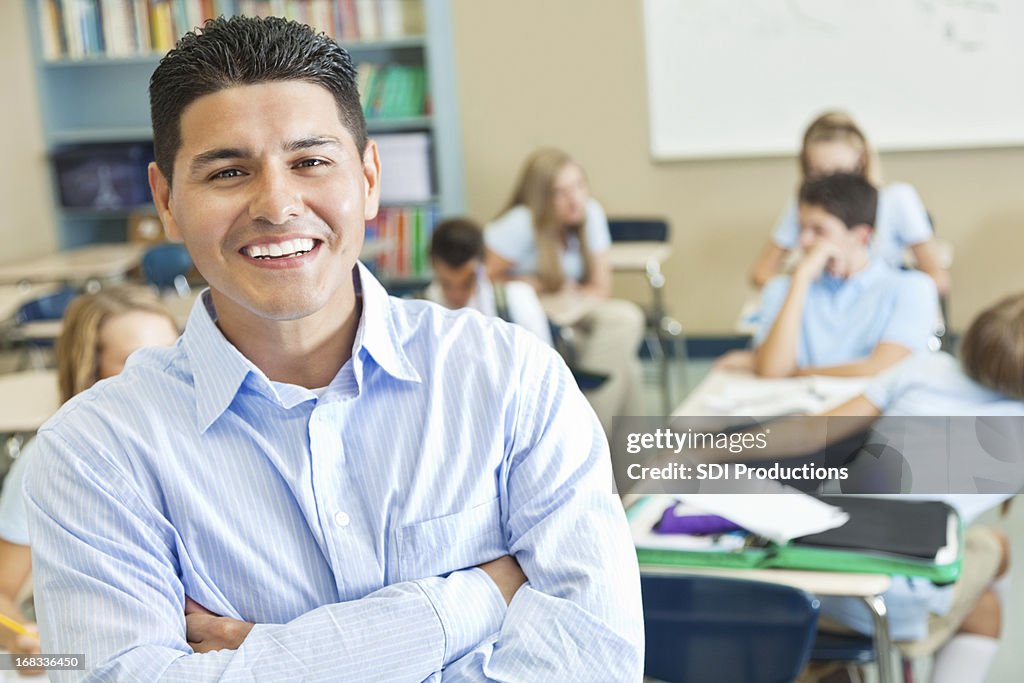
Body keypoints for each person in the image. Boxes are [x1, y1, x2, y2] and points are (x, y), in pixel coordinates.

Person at [24, 16, 643, 682]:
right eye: (228, 171)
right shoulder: (90, 455)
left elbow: (595, 660)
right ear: (166, 201)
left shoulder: (510, 378)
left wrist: (272, 655)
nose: (278, 204)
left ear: (370, 177)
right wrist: (473, 599)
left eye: (310, 161)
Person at [814, 292, 1024, 683]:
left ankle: (831, 666)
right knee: (993, 575)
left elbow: (813, 431)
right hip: (887, 602)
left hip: (812, 577)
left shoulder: (921, 369)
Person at [0, 286, 179, 674]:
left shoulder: (207, 441)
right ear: (90, 374)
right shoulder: (52, 462)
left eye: (174, 352)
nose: (167, 373)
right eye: (137, 362)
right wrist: (19, 641)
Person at [484, 148, 645, 434]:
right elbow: (480, 277)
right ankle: (585, 436)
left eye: (579, 186)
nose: (575, 199)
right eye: (561, 192)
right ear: (542, 198)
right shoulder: (523, 221)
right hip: (534, 321)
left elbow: (600, 288)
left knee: (625, 346)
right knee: (627, 358)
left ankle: (625, 472)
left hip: (572, 314)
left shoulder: (590, 213)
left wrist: (569, 294)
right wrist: (534, 283)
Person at [725, 173, 939, 378]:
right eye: (802, 228)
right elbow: (772, 371)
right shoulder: (782, 288)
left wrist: (795, 373)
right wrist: (801, 279)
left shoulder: (912, 288)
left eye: (819, 230)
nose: (804, 241)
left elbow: (879, 369)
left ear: (861, 236)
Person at [749, 111, 950, 295]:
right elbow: (761, 273)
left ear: (862, 162)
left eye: (840, 173)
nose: (831, 187)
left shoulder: (896, 199)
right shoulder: (805, 209)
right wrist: (801, 285)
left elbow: (937, 279)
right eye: (819, 175)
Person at [424, 217, 552, 345]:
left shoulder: (517, 299)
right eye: (446, 284)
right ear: (433, 267)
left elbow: (543, 360)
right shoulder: (419, 313)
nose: (456, 294)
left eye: (467, 283)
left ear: (483, 266)